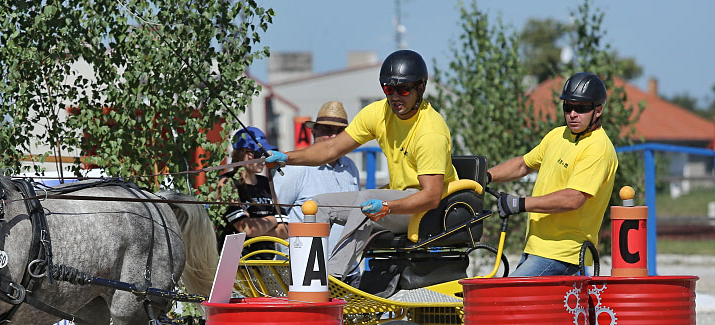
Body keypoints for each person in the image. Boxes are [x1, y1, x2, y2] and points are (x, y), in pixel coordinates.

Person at [265, 50, 458, 281]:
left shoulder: (430, 132)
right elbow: (331, 149)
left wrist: (387, 206)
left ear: (421, 87)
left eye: (403, 89)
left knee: (366, 202)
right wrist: (287, 157)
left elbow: (431, 197)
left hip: (427, 211)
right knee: (316, 206)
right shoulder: (379, 112)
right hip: (399, 201)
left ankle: (332, 280)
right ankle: (303, 279)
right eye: (389, 89)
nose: (395, 96)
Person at [487, 72, 618, 277]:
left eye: (581, 108)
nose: (573, 114)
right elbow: (523, 165)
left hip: (563, 254)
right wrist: (485, 176)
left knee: (508, 303)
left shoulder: (597, 149)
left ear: (598, 110)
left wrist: (519, 203)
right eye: (568, 107)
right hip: (535, 248)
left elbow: (574, 198)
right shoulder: (558, 135)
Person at [272, 101, 360, 255]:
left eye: (340, 132)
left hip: (347, 270)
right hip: (305, 269)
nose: (333, 136)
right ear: (314, 133)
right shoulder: (295, 169)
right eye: (327, 130)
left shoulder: (351, 168)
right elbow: (276, 216)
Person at [216, 126, 288, 247]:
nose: (263, 158)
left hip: (267, 258)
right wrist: (274, 219)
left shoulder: (266, 183)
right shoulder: (227, 183)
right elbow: (247, 228)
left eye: (266, 154)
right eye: (259, 153)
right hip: (237, 259)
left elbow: (286, 229)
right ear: (242, 153)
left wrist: (257, 228)